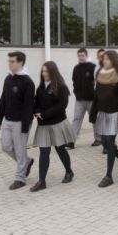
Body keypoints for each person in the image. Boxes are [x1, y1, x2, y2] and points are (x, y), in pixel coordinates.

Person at [30, 61, 75, 192]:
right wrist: (36, 111)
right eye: (43, 71)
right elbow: (36, 102)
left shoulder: (61, 87)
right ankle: (42, 181)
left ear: (53, 72)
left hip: (57, 123)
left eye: (46, 71)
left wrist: (44, 114)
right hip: (43, 124)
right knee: (44, 152)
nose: (44, 74)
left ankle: (69, 172)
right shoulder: (40, 88)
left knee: (60, 149)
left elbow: (62, 105)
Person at [0, 51, 36, 190]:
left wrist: (25, 125)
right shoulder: (8, 79)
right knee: (6, 146)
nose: (9, 64)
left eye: (12, 61)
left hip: (20, 122)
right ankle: (27, 161)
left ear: (20, 63)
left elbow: (28, 106)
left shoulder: (28, 82)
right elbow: (3, 99)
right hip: (7, 120)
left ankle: (20, 178)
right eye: (9, 61)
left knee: (19, 150)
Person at [90, 50, 118, 187]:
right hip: (102, 113)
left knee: (110, 143)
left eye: (107, 59)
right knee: (105, 143)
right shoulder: (99, 74)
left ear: (113, 60)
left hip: (115, 114)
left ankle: (108, 176)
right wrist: (93, 113)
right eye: (103, 59)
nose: (104, 61)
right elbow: (96, 96)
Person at [71, 48, 98, 149]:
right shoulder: (76, 68)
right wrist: (76, 92)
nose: (81, 57)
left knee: (94, 119)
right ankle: (71, 141)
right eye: (79, 55)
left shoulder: (93, 67)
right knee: (76, 119)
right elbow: (74, 82)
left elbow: (97, 82)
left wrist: (95, 95)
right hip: (80, 100)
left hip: (91, 99)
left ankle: (98, 139)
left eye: (82, 55)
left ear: (86, 56)